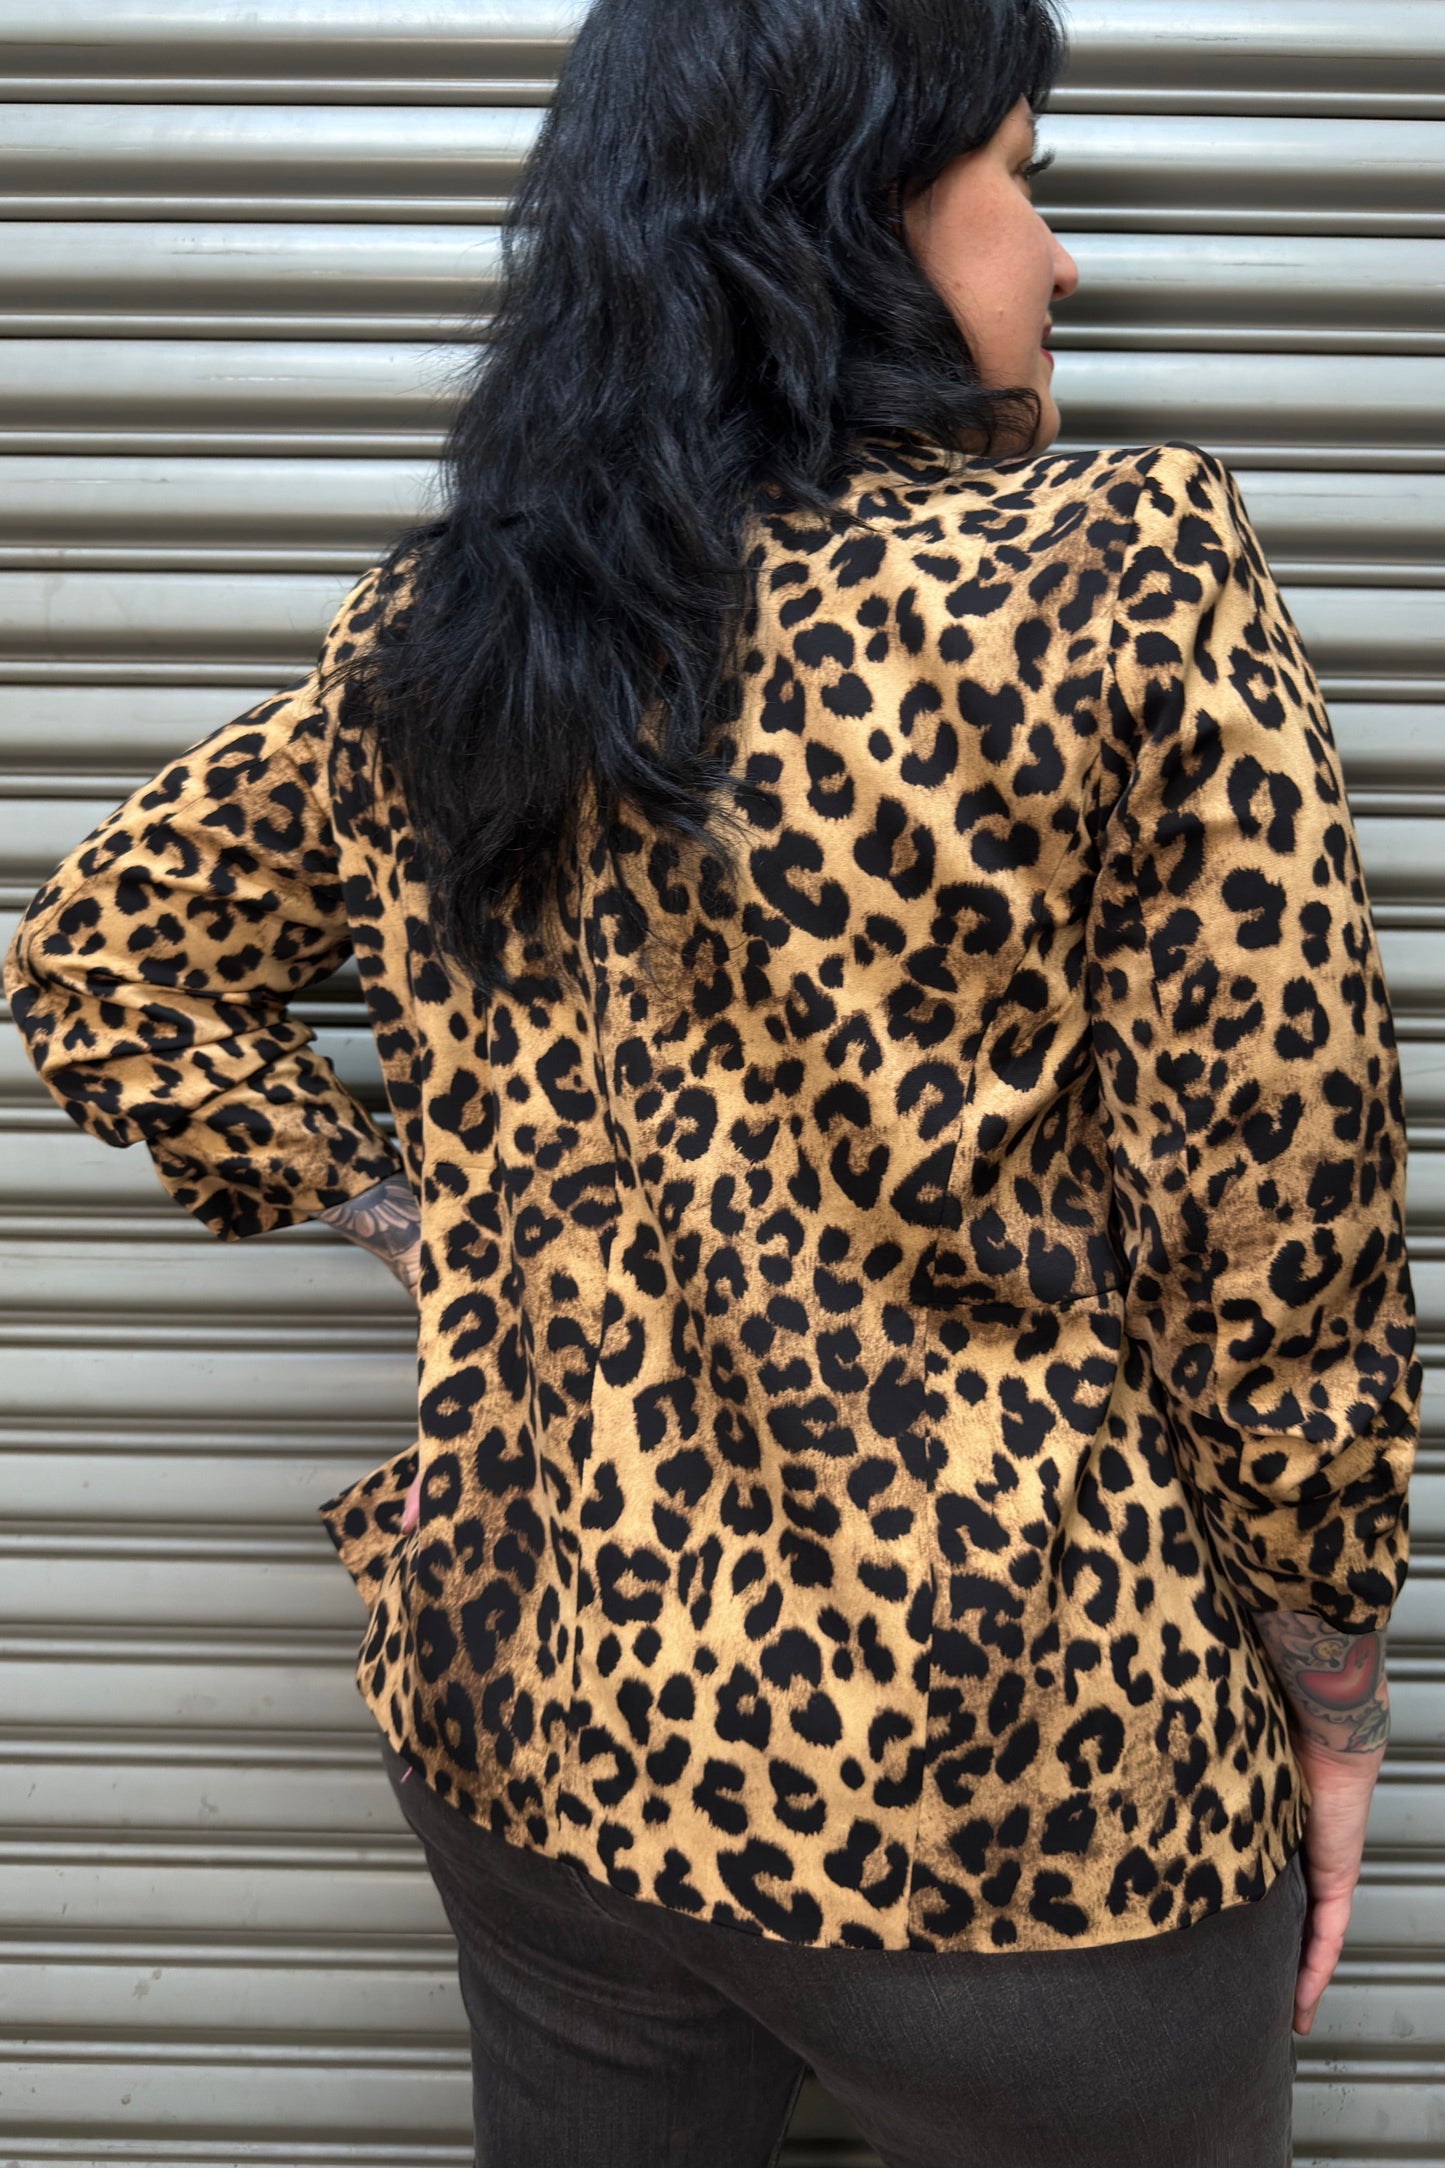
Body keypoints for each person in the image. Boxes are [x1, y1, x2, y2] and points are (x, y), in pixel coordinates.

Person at [4, 0, 1420, 2161]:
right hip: (1017, 1796)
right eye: (1018, 177)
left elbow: (103, 960)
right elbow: (1277, 1213)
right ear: (847, 217)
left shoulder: (474, 629)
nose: (1062, 259)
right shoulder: (1118, 570)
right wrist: (1334, 1683)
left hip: (543, 1743)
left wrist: (422, 1224)